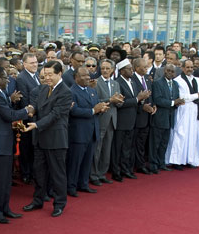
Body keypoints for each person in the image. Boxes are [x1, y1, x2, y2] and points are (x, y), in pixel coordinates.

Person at [0, 66, 34, 224]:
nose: (8, 80)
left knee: (5, 180)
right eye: (6, 78)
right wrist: (27, 110)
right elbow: (9, 114)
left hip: (4, 141)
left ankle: (4, 208)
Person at [22, 61, 72, 217]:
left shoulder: (66, 92)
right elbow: (36, 106)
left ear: (59, 73)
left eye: (51, 75)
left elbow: (55, 115)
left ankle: (59, 204)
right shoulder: (43, 88)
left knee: (57, 173)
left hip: (56, 138)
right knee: (39, 172)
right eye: (45, 74)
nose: (47, 78)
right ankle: (38, 200)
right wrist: (27, 111)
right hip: (40, 138)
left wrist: (36, 124)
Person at [66, 66, 109, 197]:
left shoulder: (92, 91)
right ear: (76, 78)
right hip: (78, 133)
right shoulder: (71, 92)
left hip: (92, 131)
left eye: (88, 75)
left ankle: (83, 184)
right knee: (75, 161)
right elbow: (73, 111)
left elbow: (95, 106)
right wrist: (93, 111)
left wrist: (101, 108)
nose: (87, 78)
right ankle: (71, 186)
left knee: (87, 160)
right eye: (84, 75)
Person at [166, 60, 199, 167]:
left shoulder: (197, 80)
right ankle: (177, 161)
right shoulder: (178, 80)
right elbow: (182, 97)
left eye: (191, 67)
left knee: (193, 135)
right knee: (180, 135)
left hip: (195, 111)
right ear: (183, 68)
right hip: (183, 111)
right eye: (187, 67)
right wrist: (197, 95)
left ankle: (190, 159)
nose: (189, 69)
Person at [112, 59, 150, 181]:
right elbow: (120, 103)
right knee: (118, 148)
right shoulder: (118, 83)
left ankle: (126, 169)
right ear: (122, 71)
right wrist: (138, 99)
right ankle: (116, 171)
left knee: (127, 148)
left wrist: (142, 101)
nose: (132, 70)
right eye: (129, 69)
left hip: (132, 120)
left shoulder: (132, 82)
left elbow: (136, 100)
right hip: (122, 121)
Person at [91, 59, 123, 186]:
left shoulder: (115, 84)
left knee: (107, 149)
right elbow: (95, 101)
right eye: (103, 68)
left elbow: (119, 102)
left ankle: (102, 173)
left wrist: (119, 101)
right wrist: (110, 100)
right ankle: (93, 175)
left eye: (107, 68)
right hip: (100, 119)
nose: (105, 70)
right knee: (97, 149)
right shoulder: (95, 83)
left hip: (112, 120)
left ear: (112, 70)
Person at [149, 64, 182, 173]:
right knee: (155, 143)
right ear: (164, 71)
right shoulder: (157, 83)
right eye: (168, 70)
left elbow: (176, 98)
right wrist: (173, 103)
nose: (170, 73)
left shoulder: (176, 84)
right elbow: (158, 100)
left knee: (164, 143)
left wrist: (178, 103)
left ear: (175, 73)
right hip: (159, 118)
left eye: (172, 71)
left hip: (170, 118)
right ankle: (153, 165)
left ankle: (161, 163)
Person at [16, 53, 40, 184]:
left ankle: (32, 172)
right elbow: (25, 100)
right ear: (24, 64)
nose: (35, 65)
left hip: (37, 116)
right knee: (26, 147)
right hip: (28, 118)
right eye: (32, 63)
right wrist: (34, 111)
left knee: (34, 146)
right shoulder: (21, 78)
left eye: (36, 62)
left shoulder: (37, 75)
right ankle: (26, 173)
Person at [131, 58, 155, 175]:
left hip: (147, 116)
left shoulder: (147, 78)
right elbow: (132, 99)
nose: (146, 69)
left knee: (142, 142)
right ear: (136, 68)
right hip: (136, 116)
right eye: (144, 67)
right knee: (135, 143)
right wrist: (142, 107)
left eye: (147, 67)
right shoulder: (132, 80)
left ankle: (141, 163)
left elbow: (151, 95)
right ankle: (136, 165)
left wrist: (153, 106)